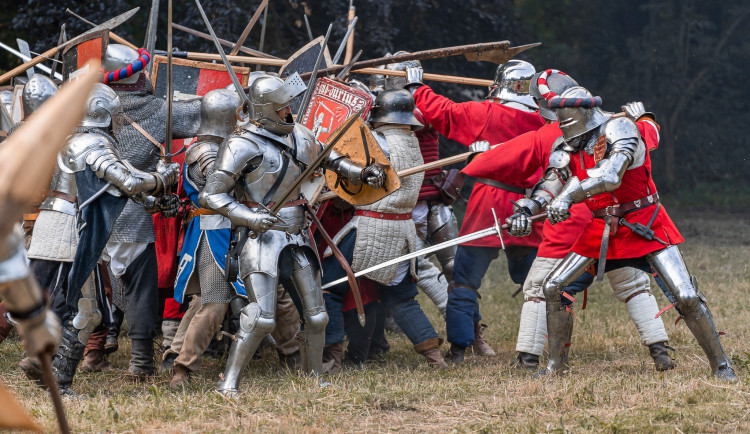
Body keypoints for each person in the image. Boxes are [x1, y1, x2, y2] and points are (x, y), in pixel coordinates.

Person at [505, 82, 736, 381]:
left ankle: (721, 365)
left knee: (686, 295)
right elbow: (552, 180)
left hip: (646, 222)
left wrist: (567, 198)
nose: (560, 125)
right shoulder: (567, 143)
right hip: (602, 227)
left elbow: (611, 176)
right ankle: (555, 367)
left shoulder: (620, 129)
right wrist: (527, 209)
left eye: (564, 118)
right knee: (552, 286)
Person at [465, 70, 674, 371]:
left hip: (572, 227)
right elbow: (647, 138)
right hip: (612, 221)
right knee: (633, 286)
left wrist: (475, 162)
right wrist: (645, 120)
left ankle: (527, 359)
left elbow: (504, 162)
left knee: (539, 288)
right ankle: (660, 352)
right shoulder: (617, 125)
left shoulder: (547, 136)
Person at [199, 73, 385, 396]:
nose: (289, 112)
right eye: (282, 107)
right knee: (261, 319)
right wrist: (248, 215)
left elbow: (330, 160)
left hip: (298, 235)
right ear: (266, 108)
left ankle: (313, 380)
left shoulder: (300, 134)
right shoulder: (241, 143)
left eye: (289, 105)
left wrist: (361, 172)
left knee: (317, 317)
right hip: (261, 239)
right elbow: (211, 195)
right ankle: (228, 384)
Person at [21, 83, 180, 395]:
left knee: (77, 307)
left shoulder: (79, 140)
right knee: (83, 310)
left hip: (67, 226)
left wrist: (158, 202)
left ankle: (46, 366)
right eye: (115, 114)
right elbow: (130, 182)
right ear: (103, 113)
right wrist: (164, 178)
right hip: (68, 231)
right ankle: (56, 378)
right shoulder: (91, 143)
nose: (117, 120)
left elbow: (117, 189)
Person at [404, 60, 545, 362]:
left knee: (464, 280)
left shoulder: (487, 113)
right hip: (528, 206)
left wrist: (417, 87)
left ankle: (458, 349)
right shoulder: (542, 121)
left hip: (489, 203)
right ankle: (538, 347)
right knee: (536, 282)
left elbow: (443, 112)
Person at [322, 88, 448, 370]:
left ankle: (331, 356)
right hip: (403, 229)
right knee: (401, 298)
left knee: (328, 284)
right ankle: (434, 357)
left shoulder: (377, 142)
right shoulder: (411, 141)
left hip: (372, 225)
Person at [104, 44, 201, 377]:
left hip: (98, 218)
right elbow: (203, 116)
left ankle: (85, 355)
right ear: (135, 78)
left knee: (99, 288)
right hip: (135, 214)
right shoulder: (157, 111)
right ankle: (141, 361)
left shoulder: (95, 111)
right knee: (140, 290)